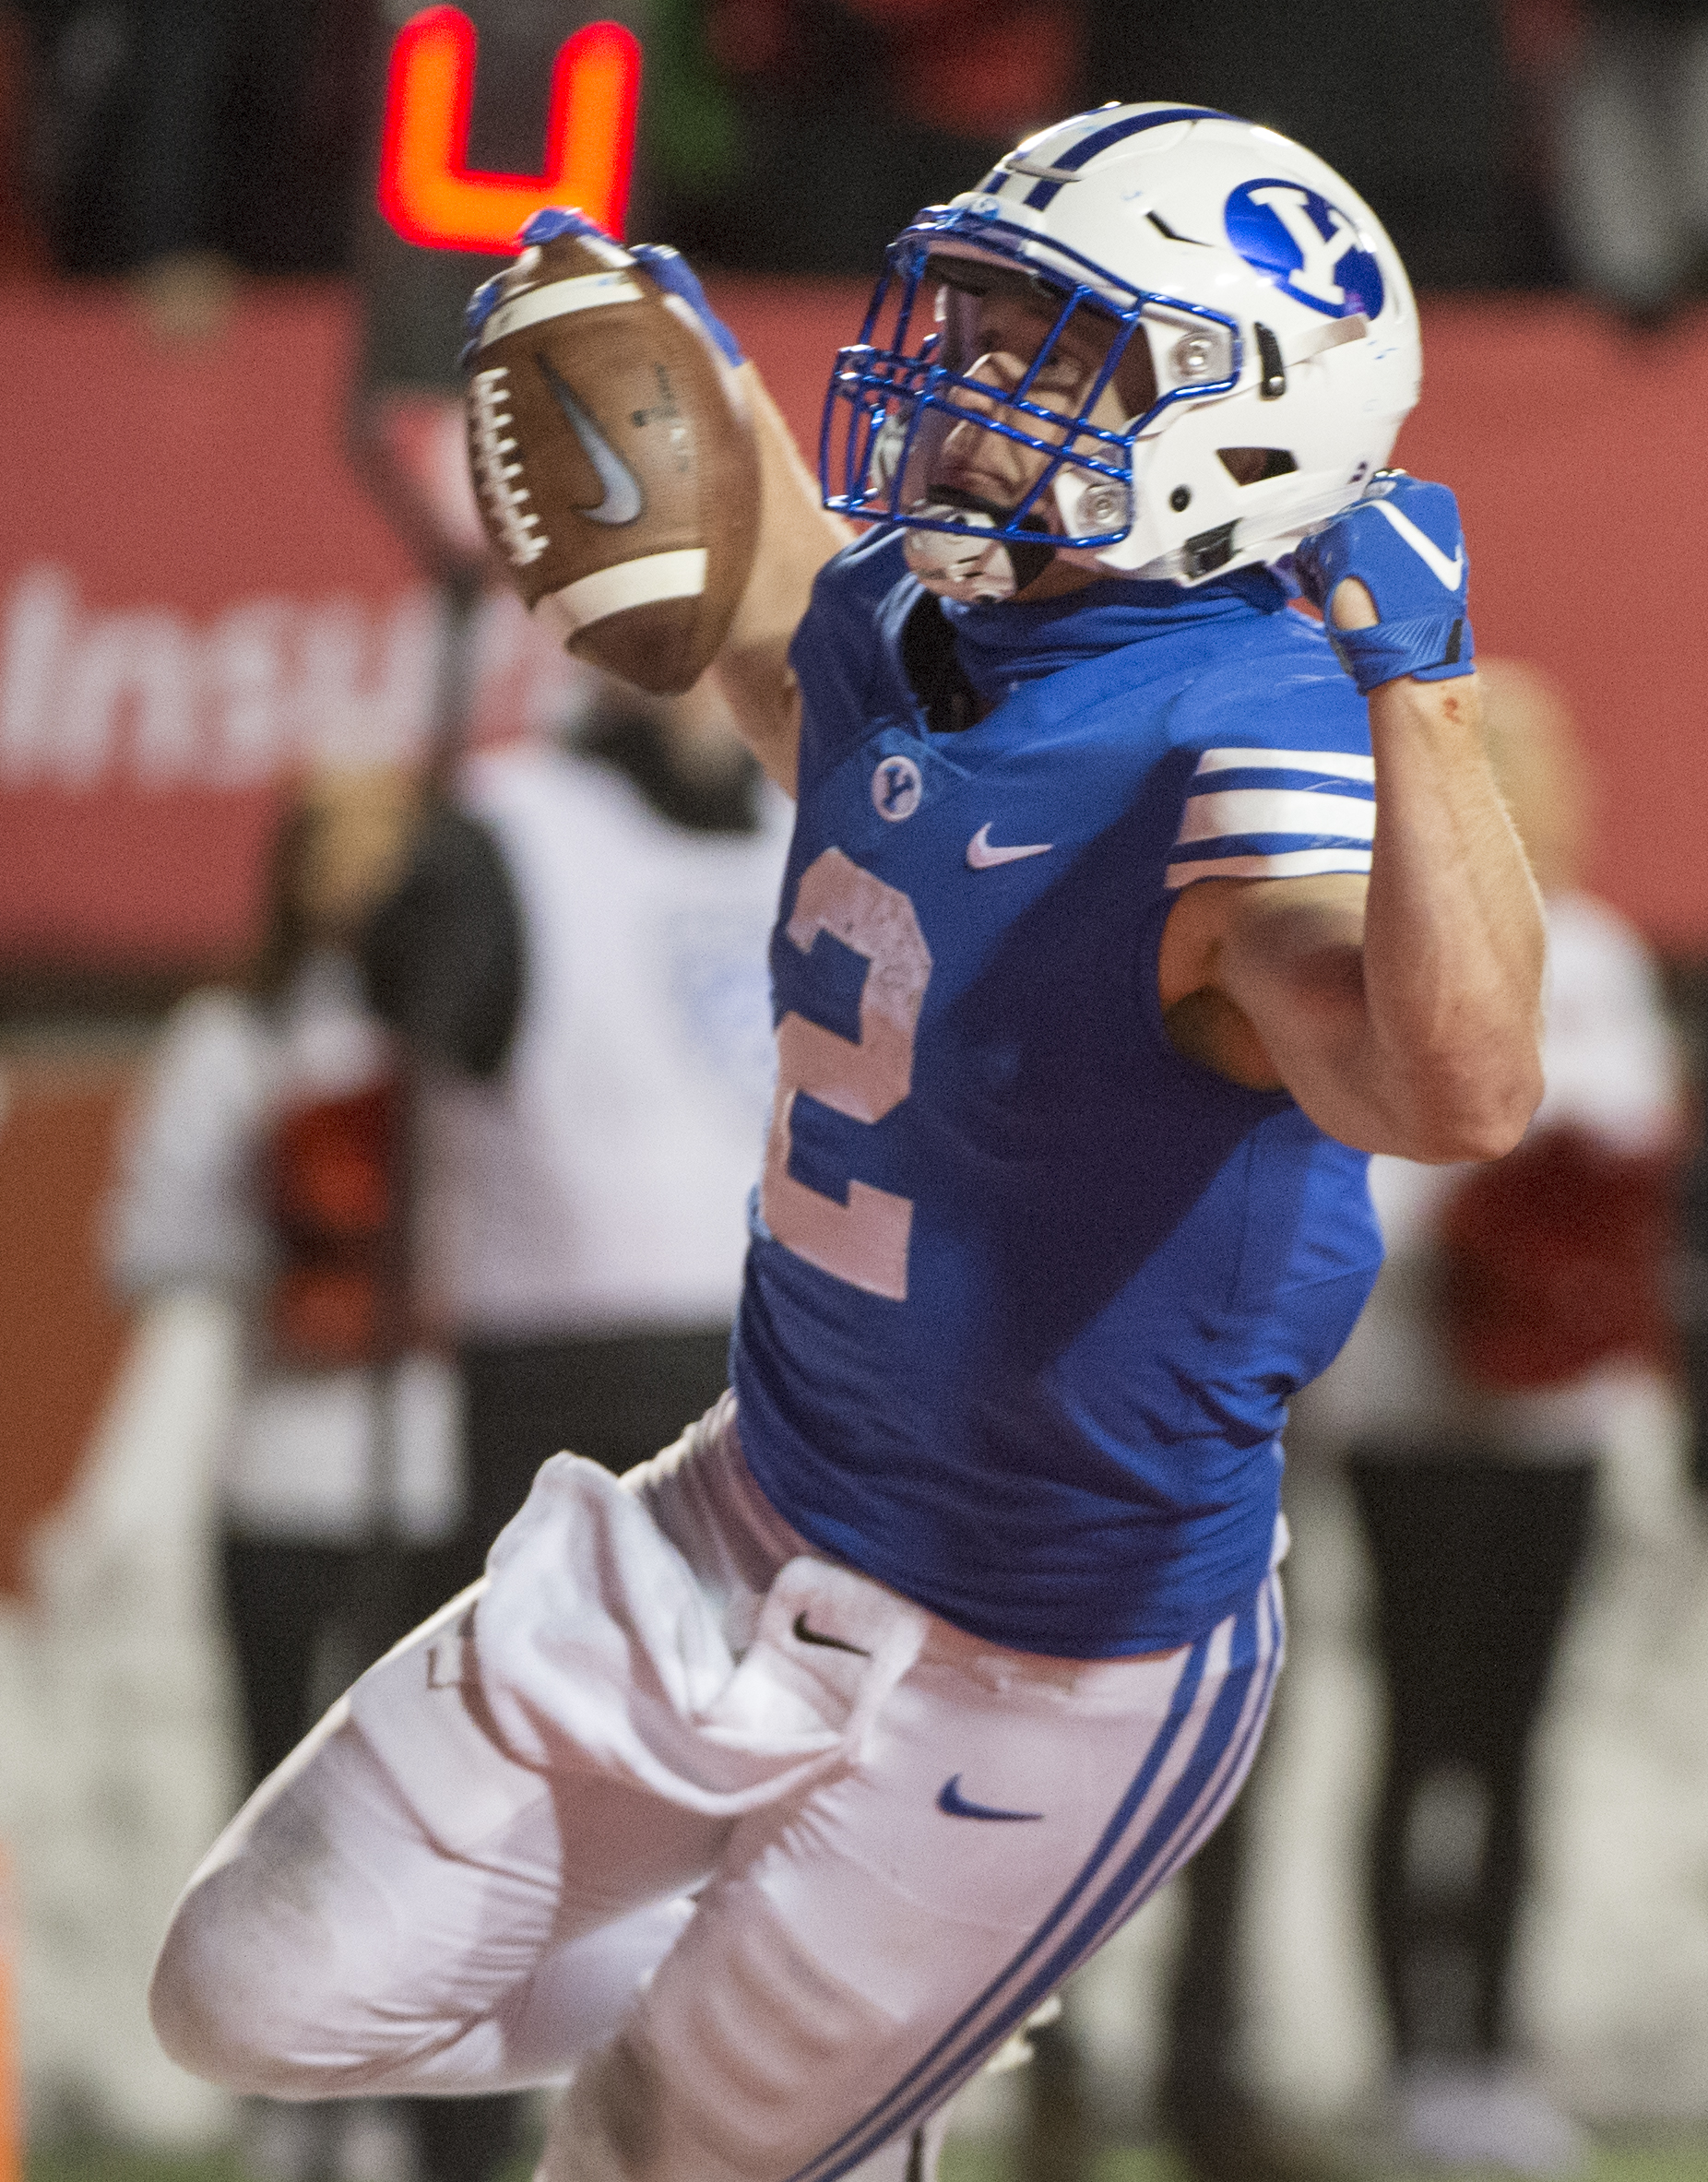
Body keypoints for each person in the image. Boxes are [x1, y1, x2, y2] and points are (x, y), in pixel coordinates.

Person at [148, 105, 1546, 2182]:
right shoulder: (928, 618)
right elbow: (782, 632)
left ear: (1236, 419)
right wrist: (702, 408)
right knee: (249, 1990)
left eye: (1044, 341)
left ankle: (835, 2061)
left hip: (1038, 1653)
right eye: (971, 310)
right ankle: (839, 2052)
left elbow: (1448, 1091)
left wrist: (1419, 704)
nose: (967, 375)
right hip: (743, 1514)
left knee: (639, 2165)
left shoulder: (1244, 736)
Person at [1304, 659, 1685, 2174]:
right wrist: (1482, 1223)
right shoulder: (1387, 937)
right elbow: (1373, 1159)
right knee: (1418, 1733)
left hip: (1559, 1412)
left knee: (1519, 1737)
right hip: (1411, 1402)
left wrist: (1573, 1228)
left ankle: (1499, 2046)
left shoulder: (1595, 950)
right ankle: (1410, 2056)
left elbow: (1633, 1141)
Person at [106, 776, 469, 2182]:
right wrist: (286, 1227)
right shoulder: (235, 1033)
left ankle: (406, 2094)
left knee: (429, 1802)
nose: (365, 870)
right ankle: (286, 2100)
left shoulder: (459, 1019)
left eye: (390, 839)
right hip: (280, 1470)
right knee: (275, 1797)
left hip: (435, 1470)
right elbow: (139, 1241)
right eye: (339, 841)